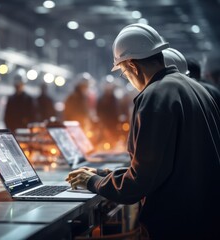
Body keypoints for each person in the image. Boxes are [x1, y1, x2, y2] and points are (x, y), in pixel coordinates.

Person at [66, 23, 220, 239]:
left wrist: (92, 182)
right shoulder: (195, 88)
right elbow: (163, 166)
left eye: (124, 73)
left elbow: (139, 184)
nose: (128, 80)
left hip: (177, 225)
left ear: (132, 66)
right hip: (204, 219)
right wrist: (104, 175)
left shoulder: (155, 95)